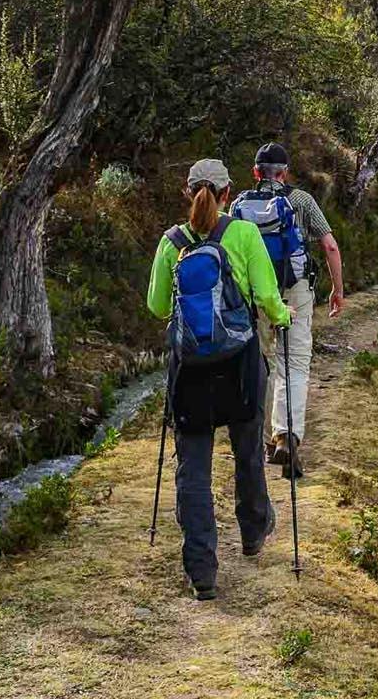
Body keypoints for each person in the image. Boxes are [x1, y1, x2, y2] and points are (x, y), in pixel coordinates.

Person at [146, 158, 288, 600]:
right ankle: (252, 533)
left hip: (190, 370)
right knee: (247, 452)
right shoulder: (243, 234)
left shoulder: (171, 243)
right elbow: (266, 296)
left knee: (194, 469)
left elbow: (157, 307)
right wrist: (285, 315)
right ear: (228, 194)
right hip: (239, 364)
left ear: (189, 193)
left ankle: (202, 572)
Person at [229, 142, 344, 476]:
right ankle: (287, 436)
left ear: (255, 173)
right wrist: (337, 289)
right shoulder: (301, 201)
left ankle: (268, 441)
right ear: (285, 172)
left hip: (257, 295)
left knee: (263, 364)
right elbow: (330, 245)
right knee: (293, 363)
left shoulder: (239, 204)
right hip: (296, 290)